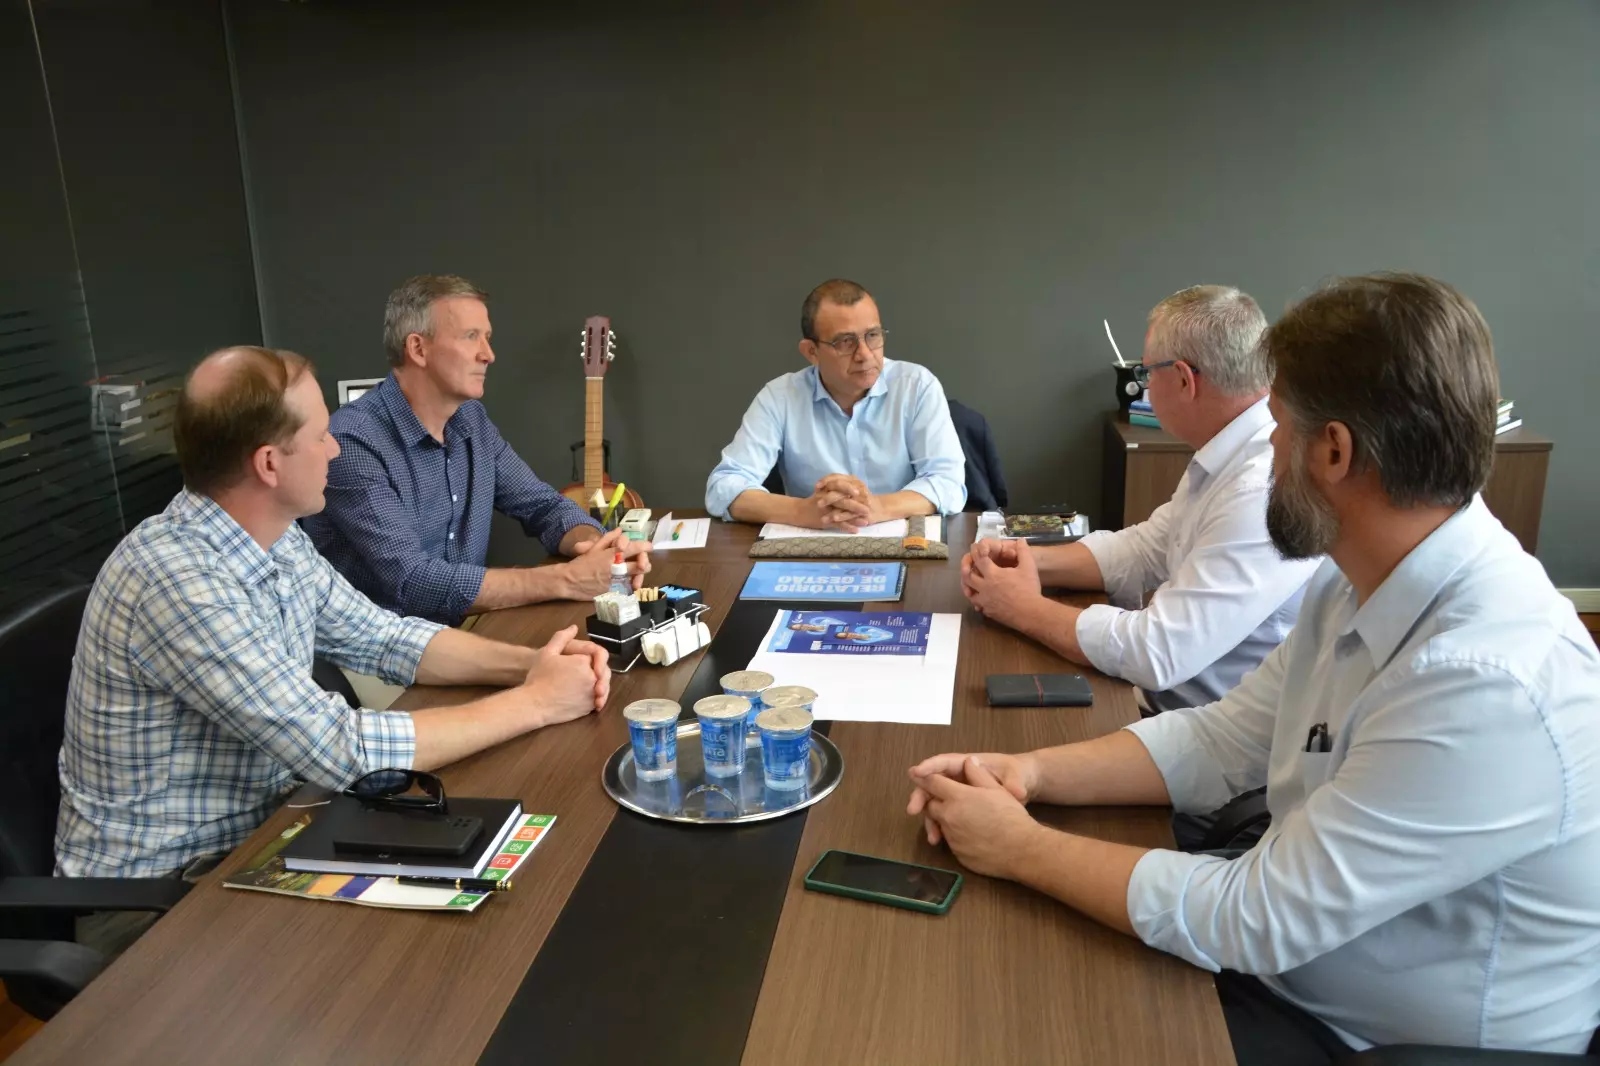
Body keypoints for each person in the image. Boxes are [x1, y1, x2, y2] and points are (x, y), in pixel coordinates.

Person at [908, 275, 1600, 1062]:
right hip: (1299, 965)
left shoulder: (1485, 683)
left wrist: (1018, 846)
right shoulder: (1358, 576)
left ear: (1333, 450)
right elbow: (1223, 738)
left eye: (1278, 424)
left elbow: (1258, 918)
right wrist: (1030, 775)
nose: (1266, 448)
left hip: (1370, 1038)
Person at [58, 346, 612, 893]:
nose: (335, 448)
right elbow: (342, 750)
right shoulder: (178, 580)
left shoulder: (276, 538)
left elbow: (385, 638)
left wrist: (533, 665)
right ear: (269, 464)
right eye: (321, 435)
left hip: (266, 833)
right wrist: (537, 702)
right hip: (162, 895)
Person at [962, 286, 1319, 715]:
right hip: (1179, 708)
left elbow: (1159, 651)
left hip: (1211, 727)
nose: (1145, 385)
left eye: (1147, 373)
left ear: (1184, 379)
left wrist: (1022, 608)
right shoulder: (1231, 450)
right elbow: (1147, 547)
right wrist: (1028, 561)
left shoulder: (1259, 487)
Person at [301, 275, 649, 626]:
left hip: (464, 629)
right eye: (471, 336)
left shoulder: (471, 419)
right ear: (418, 349)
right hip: (386, 646)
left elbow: (543, 505)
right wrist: (568, 579)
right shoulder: (353, 442)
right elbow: (413, 581)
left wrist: (596, 547)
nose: (488, 355)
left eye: (487, 338)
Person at [704, 278, 967, 529]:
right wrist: (801, 511)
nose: (864, 354)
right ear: (812, 352)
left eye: (872, 335)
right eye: (845, 342)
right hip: (813, 545)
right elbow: (723, 486)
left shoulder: (916, 386)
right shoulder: (780, 397)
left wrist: (878, 507)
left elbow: (948, 482)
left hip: (904, 544)